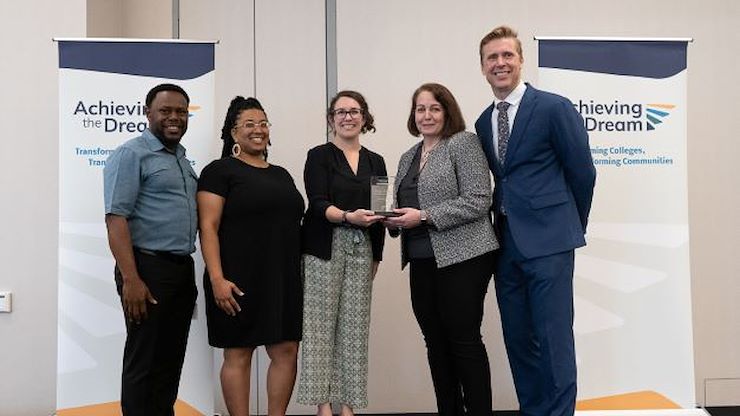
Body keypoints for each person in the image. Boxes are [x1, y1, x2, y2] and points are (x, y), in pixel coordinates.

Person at [475, 26, 597, 416]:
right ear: (483, 67)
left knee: (554, 339)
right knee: (518, 339)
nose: (500, 63)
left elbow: (583, 172)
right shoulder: (483, 122)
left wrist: (567, 226)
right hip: (506, 244)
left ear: (521, 60)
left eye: (507, 55)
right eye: (492, 57)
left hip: (550, 244)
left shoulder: (553, 107)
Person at [384, 83, 498, 416]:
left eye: (435, 108)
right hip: (421, 260)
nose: (427, 115)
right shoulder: (408, 156)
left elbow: (479, 199)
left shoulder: (462, 143)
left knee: (463, 341)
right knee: (435, 342)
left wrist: (424, 216)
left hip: (465, 256)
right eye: (420, 108)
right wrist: (392, 221)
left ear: (447, 112)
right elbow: (405, 206)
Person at [197, 97, 304, 416]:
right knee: (239, 353)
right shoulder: (218, 171)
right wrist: (217, 278)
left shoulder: (282, 174)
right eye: (249, 124)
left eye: (263, 123)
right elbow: (208, 226)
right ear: (233, 133)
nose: (258, 130)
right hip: (235, 277)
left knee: (286, 349)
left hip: (282, 277)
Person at [103, 83, 198, 416]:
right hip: (146, 270)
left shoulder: (182, 159)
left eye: (181, 112)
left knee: (169, 360)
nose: (174, 117)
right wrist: (131, 279)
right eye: (166, 111)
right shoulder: (131, 154)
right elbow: (116, 219)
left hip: (180, 270)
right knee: (144, 361)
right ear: (148, 114)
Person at [297, 90, 386, 416]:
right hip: (324, 247)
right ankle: (323, 406)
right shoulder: (319, 155)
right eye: (341, 112)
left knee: (355, 328)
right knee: (320, 327)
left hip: (363, 249)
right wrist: (348, 216)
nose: (348, 117)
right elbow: (317, 203)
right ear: (331, 118)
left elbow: (379, 210)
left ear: (364, 117)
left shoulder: (376, 161)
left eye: (354, 111)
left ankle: (347, 405)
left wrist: (377, 254)